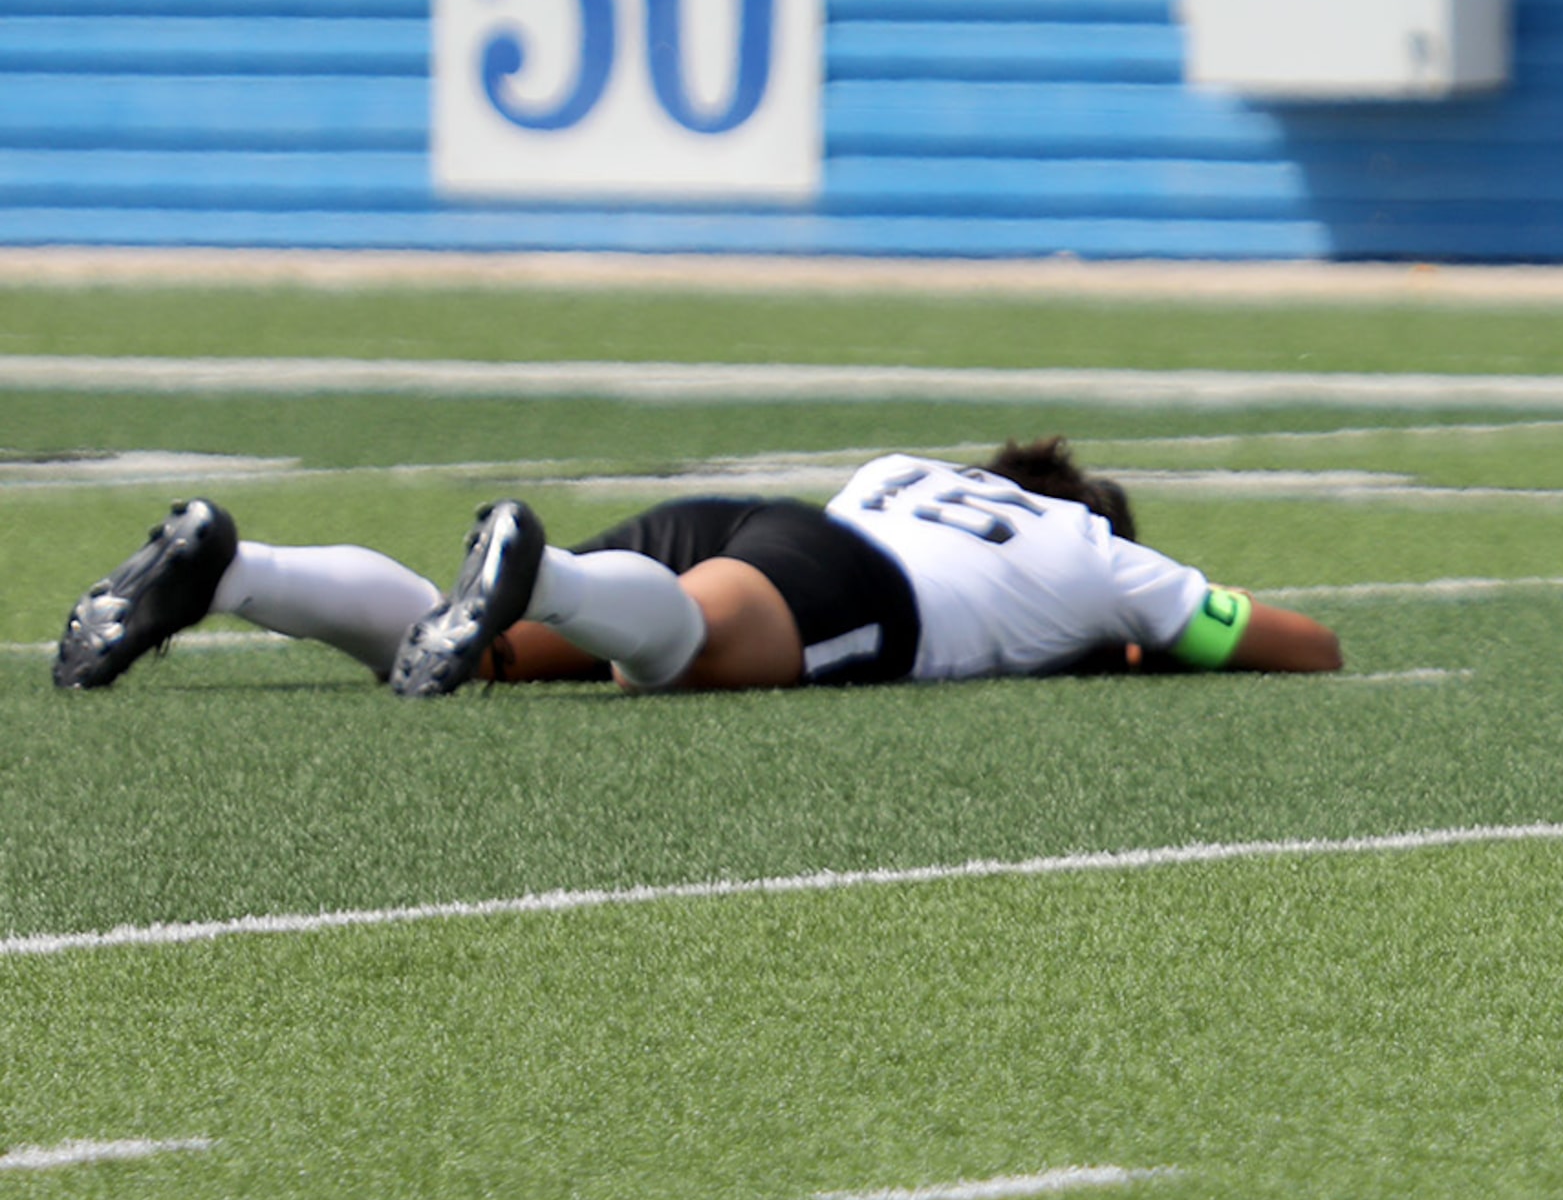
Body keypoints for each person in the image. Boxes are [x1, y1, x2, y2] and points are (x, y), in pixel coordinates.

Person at [52, 438, 1343, 696]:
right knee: (689, 653)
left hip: (751, 517)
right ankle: (543, 573)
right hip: (852, 586)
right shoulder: (1094, 550)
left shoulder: (911, 467)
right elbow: (1299, 642)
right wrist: (1139, 636)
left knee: (475, 649)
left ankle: (236, 569)